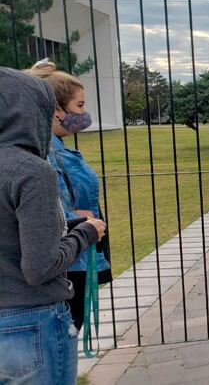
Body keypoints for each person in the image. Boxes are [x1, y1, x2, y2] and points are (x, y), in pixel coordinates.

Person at [0, 67, 106, 384]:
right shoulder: (33, 171)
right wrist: (84, 233)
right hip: (32, 321)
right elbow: (40, 266)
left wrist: (67, 224)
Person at [26, 59, 113, 332]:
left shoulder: (55, 147)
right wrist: (78, 219)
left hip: (77, 254)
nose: (84, 113)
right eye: (79, 105)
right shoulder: (47, 152)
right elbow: (48, 206)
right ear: (56, 110)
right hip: (67, 261)